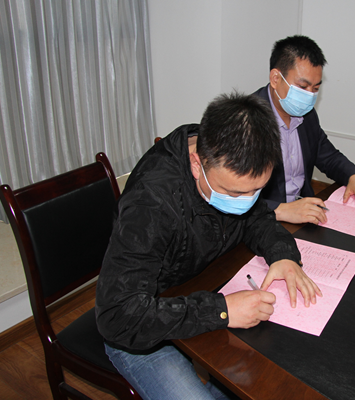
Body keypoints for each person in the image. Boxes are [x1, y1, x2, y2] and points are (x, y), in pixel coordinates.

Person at [96, 92, 322, 400]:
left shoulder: (230, 158)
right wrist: (221, 311)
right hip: (144, 325)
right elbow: (118, 315)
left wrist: (283, 256)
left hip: (202, 289)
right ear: (195, 164)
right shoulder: (151, 202)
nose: (246, 201)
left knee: (265, 378)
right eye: (234, 193)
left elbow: (257, 219)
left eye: (257, 190)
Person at [253, 35, 355, 225]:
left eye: (315, 89)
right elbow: (228, 193)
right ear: (275, 78)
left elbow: (328, 156)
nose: (309, 96)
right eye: (302, 86)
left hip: (305, 213)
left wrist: (354, 177)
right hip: (263, 221)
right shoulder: (245, 121)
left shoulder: (306, 114)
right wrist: (280, 210)